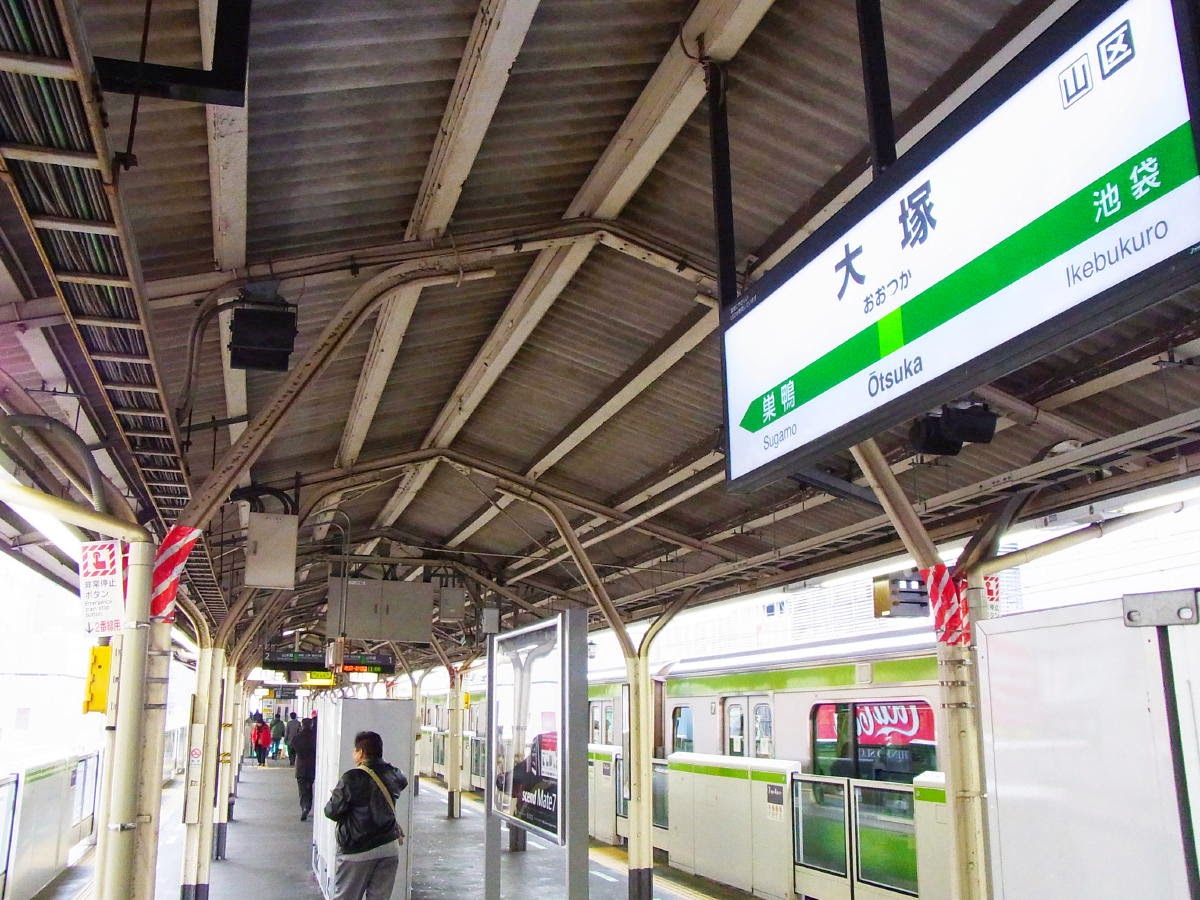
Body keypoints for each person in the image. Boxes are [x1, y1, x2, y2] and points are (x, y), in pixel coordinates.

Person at [323, 731, 407, 900]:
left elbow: (331, 811)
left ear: (361, 752)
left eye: (355, 750)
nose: (353, 754)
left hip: (357, 849)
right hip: (388, 847)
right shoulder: (396, 774)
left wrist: (339, 797)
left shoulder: (351, 778)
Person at [291, 717, 317, 820]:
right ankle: (308, 806)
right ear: (311, 725)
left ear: (302, 725)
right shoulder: (315, 737)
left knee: (302, 790)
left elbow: (293, 747)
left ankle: (304, 807)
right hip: (311, 766)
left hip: (301, 767)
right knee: (309, 787)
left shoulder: (298, 737)